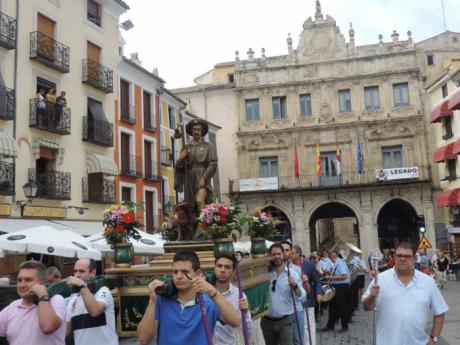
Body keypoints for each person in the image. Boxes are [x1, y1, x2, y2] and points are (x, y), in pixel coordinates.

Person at [137, 250, 240, 345]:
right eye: (175, 272)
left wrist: (212, 291)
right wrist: (152, 301)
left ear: (198, 273)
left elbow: (235, 321)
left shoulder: (208, 302)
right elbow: (143, 339)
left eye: (185, 272)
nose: (179, 276)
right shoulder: (161, 300)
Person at [362, 242, 449, 345]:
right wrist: (372, 296)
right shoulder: (380, 279)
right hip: (387, 342)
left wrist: (433, 339)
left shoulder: (427, 282)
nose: (402, 259)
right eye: (399, 256)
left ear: (414, 259)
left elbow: (439, 312)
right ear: (394, 257)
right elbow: (366, 307)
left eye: (407, 256)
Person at [0, 260, 66, 345]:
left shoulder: (56, 299)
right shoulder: (13, 306)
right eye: (19, 280)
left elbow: (47, 327)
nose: (22, 285)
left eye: (28, 280)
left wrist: (42, 295)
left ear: (42, 282)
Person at [174, 118, 218, 239]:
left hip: (203, 175)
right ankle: (191, 231)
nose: (196, 131)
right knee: (190, 206)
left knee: (200, 200)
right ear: (191, 131)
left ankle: (202, 227)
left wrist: (205, 177)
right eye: (194, 129)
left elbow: (213, 164)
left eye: (198, 129)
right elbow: (179, 167)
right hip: (190, 177)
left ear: (202, 131)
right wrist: (180, 159)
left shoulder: (209, 146)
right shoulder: (186, 147)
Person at [65, 258, 117, 345]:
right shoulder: (73, 299)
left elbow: (95, 311)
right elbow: (64, 332)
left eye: (81, 271)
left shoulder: (103, 291)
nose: (77, 275)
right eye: (75, 271)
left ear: (93, 273)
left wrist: (81, 285)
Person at [261, 243, 305, 345]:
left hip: (285, 321)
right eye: (274, 254)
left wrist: (294, 285)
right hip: (267, 322)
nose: (276, 256)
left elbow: (302, 295)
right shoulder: (265, 274)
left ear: (283, 255)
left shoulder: (292, 273)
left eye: (279, 254)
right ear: (270, 256)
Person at [213, 252, 253, 345]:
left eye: (227, 267)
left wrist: (246, 312)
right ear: (214, 268)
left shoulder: (238, 295)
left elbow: (248, 331)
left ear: (234, 271)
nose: (222, 270)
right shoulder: (205, 293)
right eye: (219, 266)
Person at [296, 246, 322, 345]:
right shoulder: (287, 267)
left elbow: (317, 281)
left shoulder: (309, 265)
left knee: (308, 326)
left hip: (308, 300)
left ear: (298, 254)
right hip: (294, 302)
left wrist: (319, 293)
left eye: (292, 253)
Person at [280, 241, 304, 345]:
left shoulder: (296, 270)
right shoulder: (271, 271)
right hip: (281, 312)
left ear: (291, 252)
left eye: (287, 250)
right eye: (282, 250)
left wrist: (295, 285)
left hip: (296, 310)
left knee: (297, 341)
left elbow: (303, 295)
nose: (284, 253)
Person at [322, 251, 351, 333]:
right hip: (337, 286)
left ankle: (344, 327)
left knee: (342, 307)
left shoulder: (340, 263)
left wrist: (331, 277)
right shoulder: (337, 263)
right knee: (332, 307)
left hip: (341, 287)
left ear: (332, 257)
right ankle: (330, 326)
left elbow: (344, 276)